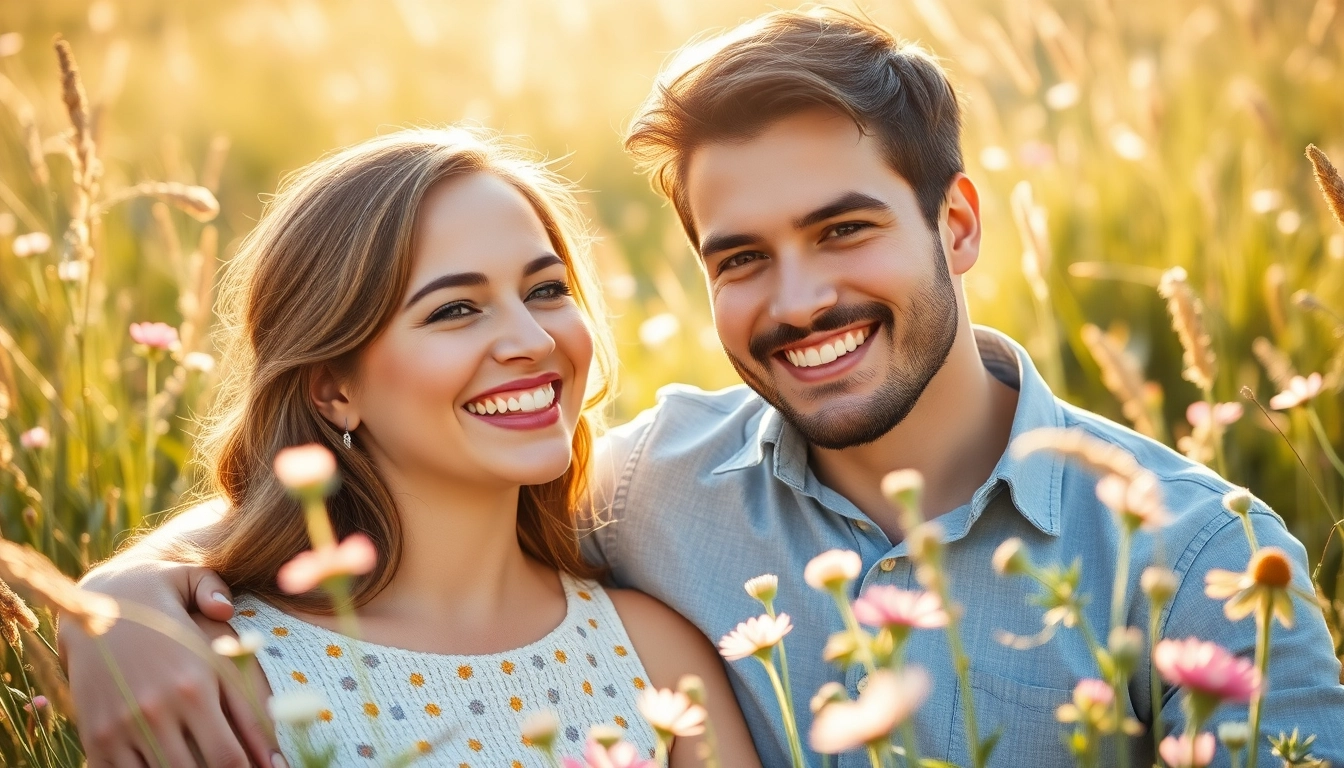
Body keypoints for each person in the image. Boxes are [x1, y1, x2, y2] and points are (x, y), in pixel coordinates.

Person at [65, 9, 1344, 768]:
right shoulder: (651, 485)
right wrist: (116, 602)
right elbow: (415, 482)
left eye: (845, 230)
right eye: (741, 257)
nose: (795, 303)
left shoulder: (1198, 555)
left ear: (956, 222)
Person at [62, 128, 758, 768]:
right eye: (456, 309)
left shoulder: (654, 656)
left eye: (546, 290)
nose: (535, 341)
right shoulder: (213, 664)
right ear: (334, 390)